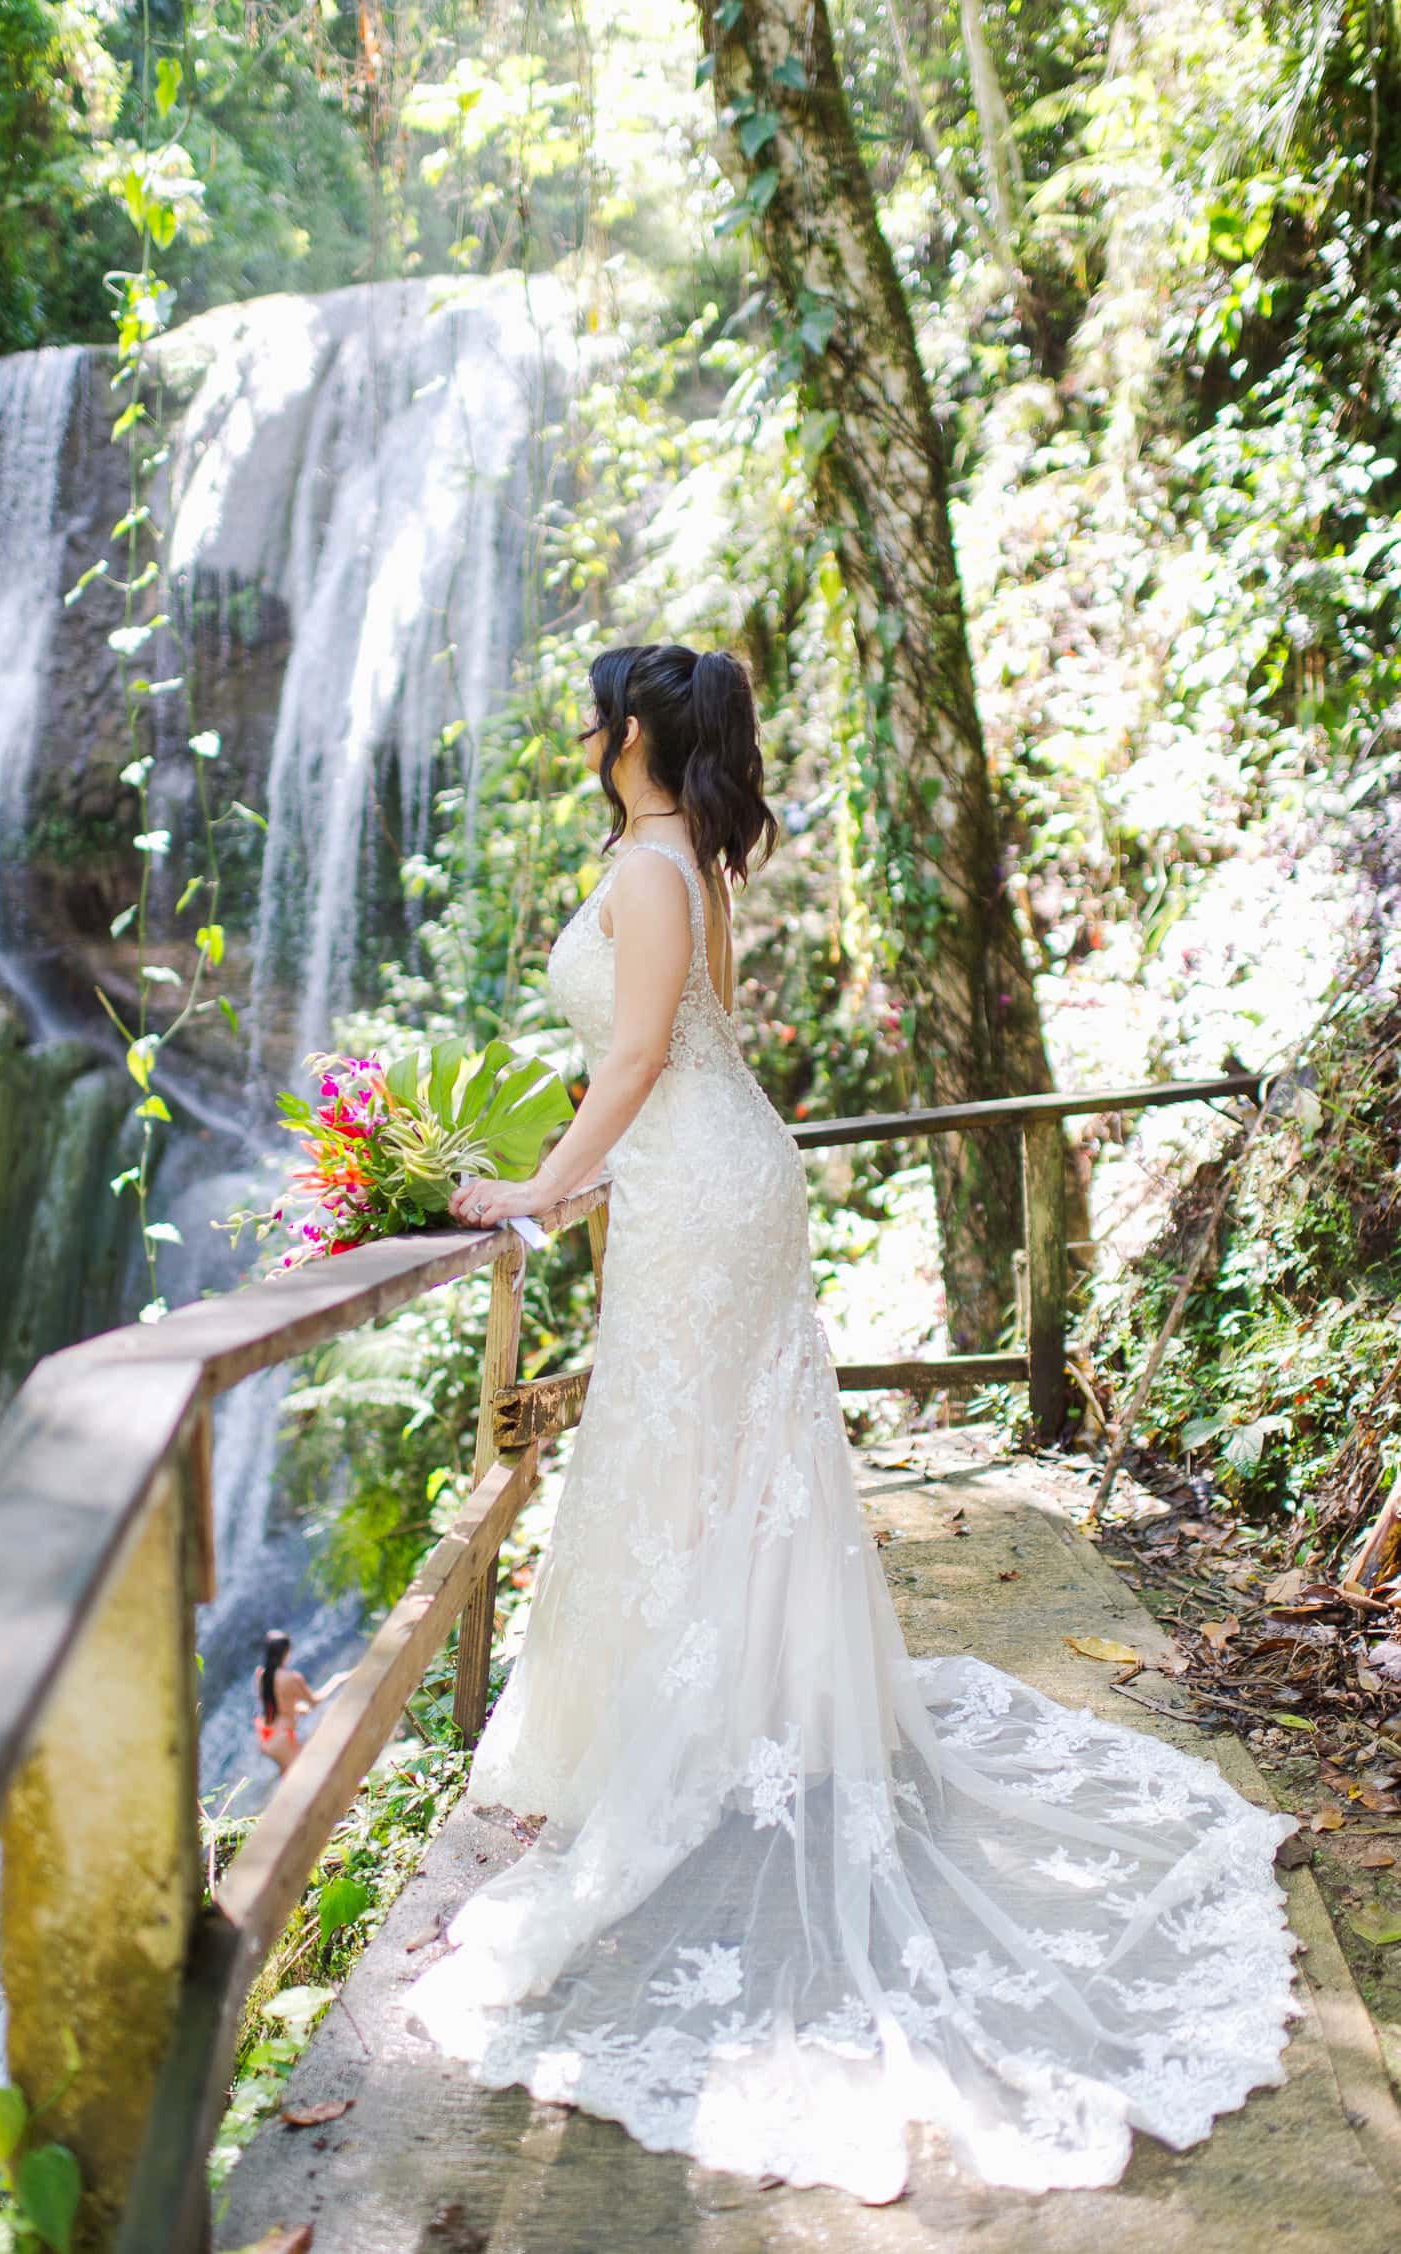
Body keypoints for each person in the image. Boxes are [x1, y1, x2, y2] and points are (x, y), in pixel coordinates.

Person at [409, 643, 1300, 2201]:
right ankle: (720, 1710)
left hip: (697, 1189)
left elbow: (633, 1057)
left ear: (628, 734)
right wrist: (603, 1175)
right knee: (713, 1458)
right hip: (712, 1175)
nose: (582, 733)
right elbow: (702, 1054)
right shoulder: (688, 861)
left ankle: (704, 1737)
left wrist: (542, 1190)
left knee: (694, 1457)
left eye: (594, 716)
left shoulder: (650, 868)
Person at [253, 1630, 350, 1775]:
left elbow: (273, 1703)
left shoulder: (261, 1674)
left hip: (266, 1735)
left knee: (291, 1776)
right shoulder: (291, 1678)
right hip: (282, 1738)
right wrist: (335, 1681)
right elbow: (314, 1702)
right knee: (304, 1777)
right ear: (285, 1652)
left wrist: (296, 1708)